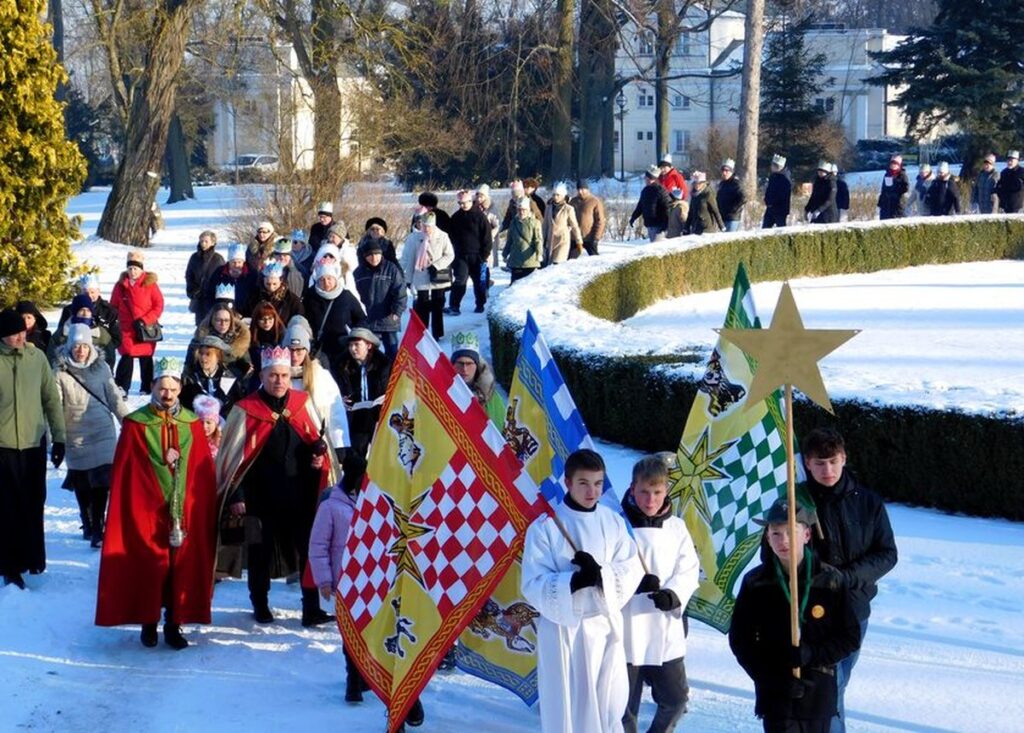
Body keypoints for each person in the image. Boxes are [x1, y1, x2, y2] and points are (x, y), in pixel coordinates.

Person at [95, 356, 218, 650]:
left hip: (183, 511)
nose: (167, 395)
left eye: (173, 389)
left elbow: (202, 472)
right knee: (151, 565)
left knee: (181, 567)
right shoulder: (136, 425)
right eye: (162, 388)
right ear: (152, 387)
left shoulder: (192, 424)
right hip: (147, 510)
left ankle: (174, 623)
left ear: (180, 389)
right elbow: (128, 473)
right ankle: (149, 622)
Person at [521, 448, 644, 733]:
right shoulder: (546, 528)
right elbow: (532, 582)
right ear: (568, 482)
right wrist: (574, 582)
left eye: (598, 483)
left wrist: (601, 575)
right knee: (568, 708)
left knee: (609, 705)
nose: (592, 492)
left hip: (604, 627)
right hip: (564, 632)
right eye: (584, 483)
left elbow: (631, 566)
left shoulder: (612, 522)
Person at [216, 346, 332, 626]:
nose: (278, 381)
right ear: (263, 376)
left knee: (308, 551)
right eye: (272, 376)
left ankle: (311, 608)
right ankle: (260, 603)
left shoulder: (302, 404)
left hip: (299, 496)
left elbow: (314, 446)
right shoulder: (245, 410)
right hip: (259, 498)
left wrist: (317, 454)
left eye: (283, 375)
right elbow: (232, 460)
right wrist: (237, 494)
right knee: (260, 553)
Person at [729, 498, 862, 733]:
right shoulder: (756, 582)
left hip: (818, 693)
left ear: (807, 535)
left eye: (792, 531)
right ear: (767, 537)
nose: (784, 541)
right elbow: (741, 641)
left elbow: (849, 637)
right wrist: (770, 678)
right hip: (776, 695)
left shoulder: (830, 580)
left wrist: (812, 654)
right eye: (776, 533)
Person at [800, 427, 897, 733]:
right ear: (806, 463)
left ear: (843, 458)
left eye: (832, 461)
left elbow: (887, 554)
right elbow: (773, 552)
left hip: (854, 609)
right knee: (826, 685)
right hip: (809, 611)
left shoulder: (868, 502)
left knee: (838, 682)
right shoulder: (796, 503)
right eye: (819, 463)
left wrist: (846, 578)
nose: (827, 469)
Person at [621, 456, 700, 733]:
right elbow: (606, 566)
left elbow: (689, 567)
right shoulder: (618, 525)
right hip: (626, 628)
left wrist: (674, 594)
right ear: (632, 489)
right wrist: (632, 581)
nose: (650, 499)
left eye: (657, 492)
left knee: (675, 699)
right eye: (644, 491)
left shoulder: (676, 527)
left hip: (664, 628)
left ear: (666, 490)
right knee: (623, 706)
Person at [0, 309, 65, 588]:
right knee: (7, 507)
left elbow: (51, 399)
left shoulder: (36, 357)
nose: (19, 336)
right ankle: (9, 565)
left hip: (33, 443)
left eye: (22, 331)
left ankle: (33, 557)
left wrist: (59, 437)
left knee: (33, 501)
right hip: (3, 446)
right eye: (13, 333)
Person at [54, 323, 130, 548]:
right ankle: (87, 521)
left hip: (102, 431)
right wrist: (55, 436)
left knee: (102, 480)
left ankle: (98, 526)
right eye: (76, 346)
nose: (80, 350)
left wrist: (127, 422)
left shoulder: (102, 368)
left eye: (84, 346)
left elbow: (115, 397)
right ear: (70, 347)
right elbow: (55, 406)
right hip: (74, 432)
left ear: (90, 347)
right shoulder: (59, 372)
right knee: (82, 482)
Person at [308, 454, 364, 702]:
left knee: (368, 632)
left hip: (369, 579)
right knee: (350, 633)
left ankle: (365, 676)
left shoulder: (373, 502)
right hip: (344, 581)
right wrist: (325, 581)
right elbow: (318, 546)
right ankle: (353, 681)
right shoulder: (330, 506)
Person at [282, 317, 350, 470]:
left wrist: (339, 444)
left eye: (299, 351)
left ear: (306, 351)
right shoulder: (276, 376)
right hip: (286, 444)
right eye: (290, 350)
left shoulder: (321, 376)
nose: (294, 356)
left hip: (317, 443)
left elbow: (335, 410)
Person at [110, 250, 164, 395]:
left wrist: (146, 320)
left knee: (146, 358)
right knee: (127, 355)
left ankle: (147, 386)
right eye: (130, 268)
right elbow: (113, 306)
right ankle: (122, 387)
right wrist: (115, 321)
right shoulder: (120, 285)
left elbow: (158, 305)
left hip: (145, 328)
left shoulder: (150, 284)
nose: (132, 271)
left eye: (135, 268)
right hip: (126, 328)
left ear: (141, 269)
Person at [335, 328, 391, 458]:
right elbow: (335, 388)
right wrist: (340, 398)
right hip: (356, 419)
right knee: (356, 457)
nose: (352, 349)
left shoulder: (383, 364)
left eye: (356, 345)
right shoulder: (342, 365)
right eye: (350, 345)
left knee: (383, 456)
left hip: (378, 416)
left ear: (368, 345)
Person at [303, 259, 366, 373]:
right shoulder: (310, 295)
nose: (326, 283)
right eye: (322, 279)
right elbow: (302, 319)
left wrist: (355, 336)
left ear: (335, 279)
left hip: (341, 349)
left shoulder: (346, 296)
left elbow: (361, 319)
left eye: (329, 279)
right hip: (317, 349)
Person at [400, 211, 455, 341]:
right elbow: (409, 259)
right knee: (422, 305)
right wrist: (408, 279)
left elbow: (450, 255)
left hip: (437, 276)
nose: (426, 229)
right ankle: (422, 333)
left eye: (429, 226)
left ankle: (437, 333)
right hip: (420, 275)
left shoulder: (442, 236)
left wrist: (436, 266)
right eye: (423, 225)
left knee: (438, 304)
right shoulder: (414, 238)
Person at [354, 238, 407, 361]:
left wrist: (397, 311)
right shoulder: (358, 273)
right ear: (365, 256)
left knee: (392, 352)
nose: (374, 258)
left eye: (377, 254)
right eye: (370, 255)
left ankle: (392, 376)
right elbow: (354, 295)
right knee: (369, 354)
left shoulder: (391, 269)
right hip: (369, 320)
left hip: (388, 319)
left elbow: (401, 292)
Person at [56, 274, 121, 368]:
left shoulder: (109, 311)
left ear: (98, 291)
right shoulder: (69, 310)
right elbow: (61, 336)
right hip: (73, 359)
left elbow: (116, 338)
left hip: (100, 360)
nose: (90, 296)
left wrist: (100, 350)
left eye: (92, 292)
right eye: (86, 293)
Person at [447, 189, 493, 315]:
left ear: (470, 201)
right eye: (460, 203)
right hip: (461, 255)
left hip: (477, 255)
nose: (462, 206)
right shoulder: (456, 217)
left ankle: (480, 304)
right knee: (460, 280)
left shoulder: (480, 217)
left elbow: (487, 239)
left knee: (478, 282)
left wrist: (484, 255)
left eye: (464, 203)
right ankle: (454, 305)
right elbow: (450, 236)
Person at [450, 330, 506, 426]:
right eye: (460, 363)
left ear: (477, 365)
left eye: (469, 363)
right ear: (453, 365)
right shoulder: (441, 392)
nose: (464, 369)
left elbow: (502, 430)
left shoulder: (492, 398)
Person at [180, 335, 247, 413]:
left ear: (218, 356)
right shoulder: (190, 378)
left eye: (208, 354)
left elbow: (238, 405)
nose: (203, 357)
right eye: (201, 353)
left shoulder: (231, 378)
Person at [188, 303, 252, 378]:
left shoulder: (239, 339)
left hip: (232, 383)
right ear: (212, 320)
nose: (223, 324)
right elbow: (189, 367)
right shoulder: (199, 340)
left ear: (231, 321)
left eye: (226, 320)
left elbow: (248, 367)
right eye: (218, 320)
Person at [49, 292, 114, 363]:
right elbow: (51, 356)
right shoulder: (62, 333)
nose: (85, 314)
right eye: (81, 310)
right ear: (75, 312)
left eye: (88, 311)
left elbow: (110, 358)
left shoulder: (101, 334)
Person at [204, 243, 257, 318]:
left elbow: (255, 296)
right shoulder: (219, 273)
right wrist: (214, 311)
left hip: (246, 316)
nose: (236, 265)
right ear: (229, 261)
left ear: (243, 262)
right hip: (222, 315)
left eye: (239, 262)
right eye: (233, 262)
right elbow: (210, 294)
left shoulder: (251, 273)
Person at [185, 231, 225, 325]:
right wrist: (191, 290)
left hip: (213, 299)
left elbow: (223, 278)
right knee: (200, 326)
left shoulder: (218, 259)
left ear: (213, 243)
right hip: (199, 298)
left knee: (213, 324)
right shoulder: (194, 257)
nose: (203, 244)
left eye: (206, 241)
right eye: (201, 241)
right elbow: (189, 275)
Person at [503, 197, 543, 283]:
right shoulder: (513, 222)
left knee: (527, 287)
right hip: (515, 260)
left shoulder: (535, 223)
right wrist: (505, 254)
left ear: (528, 210)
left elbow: (538, 240)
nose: (521, 212)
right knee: (514, 286)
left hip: (529, 261)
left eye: (524, 210)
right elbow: (509, 240)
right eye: (519, 210)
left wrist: (539, 254)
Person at [543, 182, 584, 266]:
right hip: (551, 240)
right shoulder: (549, 208)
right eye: (554, 194)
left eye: (558, 195)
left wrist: (579, 241)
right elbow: (545, 225)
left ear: (563, 196)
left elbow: (574, 226)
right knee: (549, 266)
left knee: (558, 263)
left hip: (562, 240)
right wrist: (542, 240)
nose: (555, 197)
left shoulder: (568, 209)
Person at [630, 166, 672, 242]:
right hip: (650, 224)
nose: (646, 179)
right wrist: (633, 217)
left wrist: (665, 223)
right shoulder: (645, 191)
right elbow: (640, 206)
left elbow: (667, 207)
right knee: (653, 245)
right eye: (646, 177)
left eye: (648, 178)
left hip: (659, 225)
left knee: (657, 248)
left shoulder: (660, 190)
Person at [570, 180, 605, 257]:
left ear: (587, 189)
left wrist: (596, 238)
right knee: (570, 261)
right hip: (575, 237)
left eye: (582, 189)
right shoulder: (573, 201)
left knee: (594, 259)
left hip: (589, 237)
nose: (580, 191)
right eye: (578, 189)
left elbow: (600, 221)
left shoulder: (594, 201)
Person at [248, 301, 285, 368]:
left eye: (270, 318)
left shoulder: (282, 332)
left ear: (275, 318)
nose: (267, 322)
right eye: (262, 319)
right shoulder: (251, 334)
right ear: (256, 320)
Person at [476, 185, 503, 268]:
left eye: (481, 196)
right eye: (478, 195)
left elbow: (499, 225)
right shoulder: (473, 206)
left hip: (489, 241)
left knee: (487, 264)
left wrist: (490, 234)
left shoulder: (492, 208)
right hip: (476, 239)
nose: (479, 198)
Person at [763, 154, 792, 228]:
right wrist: (767, 200)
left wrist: (772, 202)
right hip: (770, 208)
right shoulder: (773, 176)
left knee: (781, 228)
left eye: (773, 165)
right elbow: (769, 190)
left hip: (780, 209)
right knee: (765, 228)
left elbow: (782, 195)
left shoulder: (785, 178)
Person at [876, 154, 909, 220]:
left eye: (895, 164)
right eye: (892, 163)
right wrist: (881, 200)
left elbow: (906, 188)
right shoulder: (887, 174)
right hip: (886, 203)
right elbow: (883, 189)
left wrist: (896, 190)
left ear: (899, 165)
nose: (893, 165)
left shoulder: (902, 175)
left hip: (897, 203)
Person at [717, 158, 745, 232]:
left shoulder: (736, 183)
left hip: (732, 218)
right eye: (723, 170)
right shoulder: (722, 184)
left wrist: (734, 209)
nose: (724, 173)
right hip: (722, 217)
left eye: (727, 171)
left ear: (731, 172)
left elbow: (743, 198)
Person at [192, 395, 223, 460]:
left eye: (208, 422)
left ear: (215, 423)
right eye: (201, 422)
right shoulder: (192, 439)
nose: (204, 426)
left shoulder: (222, 442)